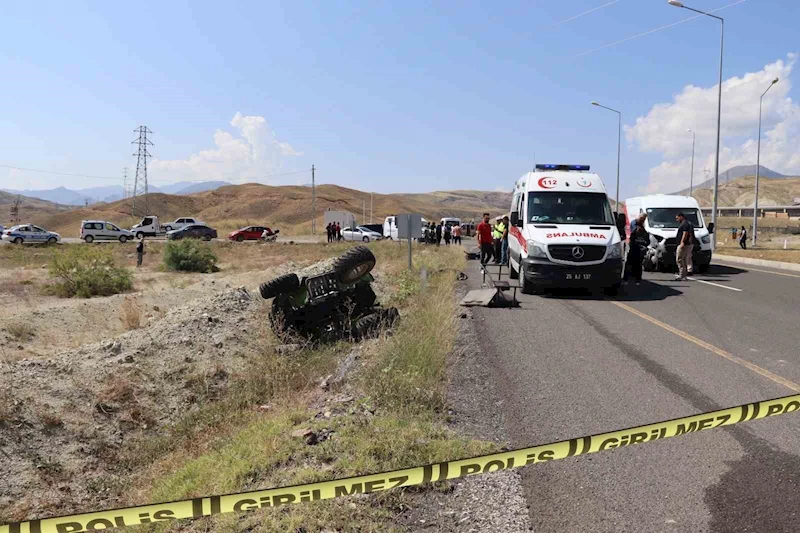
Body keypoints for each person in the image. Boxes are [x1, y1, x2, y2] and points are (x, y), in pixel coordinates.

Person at [624, 214, 648, 285]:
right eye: (643, 219)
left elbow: (645, 235)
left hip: (639, 247)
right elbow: (635, 231)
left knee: (638, 264)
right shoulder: (634, 222)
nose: (643, 220)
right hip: (633, 245)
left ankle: (637, 279)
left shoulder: (641, 225)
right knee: (629, 263)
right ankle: (626, 279)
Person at [674, 212, 694, 280]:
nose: (677, 220)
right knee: (683, 259)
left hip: (684, 244)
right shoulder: (684, 223)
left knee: (679, 259)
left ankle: (682, 274)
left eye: (677, 218)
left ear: (681, 217)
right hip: (684, 244)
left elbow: (685, 233)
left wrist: (682, 242)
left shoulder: (685, 224)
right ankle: (684, 275)